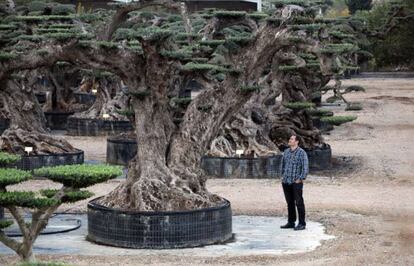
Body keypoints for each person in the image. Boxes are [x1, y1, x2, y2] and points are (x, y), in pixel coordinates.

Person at [279, 135, 309, 231]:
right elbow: (282, 165)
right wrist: (282, 176)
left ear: (297, 142)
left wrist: (300, 178)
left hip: (296, 182)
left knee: (299, 202)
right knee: (290, 202)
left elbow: (305, 167)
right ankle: (291, 222)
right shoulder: (286, 152)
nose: (289, 140)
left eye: (291, 139)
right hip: (286, 181)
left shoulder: (302, 153)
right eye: (290, 138)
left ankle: (301, 223)